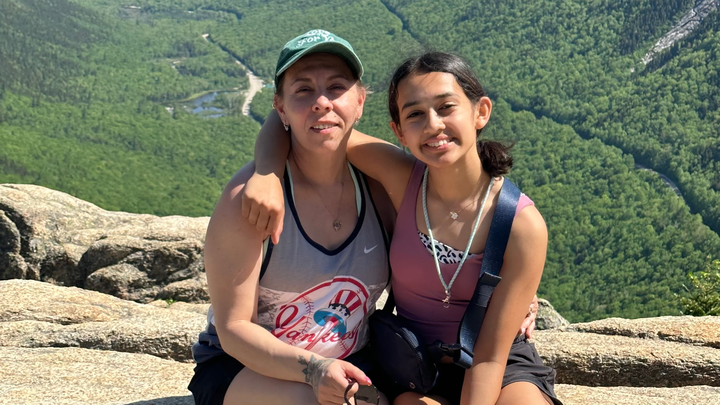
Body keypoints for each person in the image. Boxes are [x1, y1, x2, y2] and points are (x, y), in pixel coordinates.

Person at [244, 51, 559, 405]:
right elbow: (299, 119)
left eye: (446, 107)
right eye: (414, 114)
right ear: (399, 132)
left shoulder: (519, 224)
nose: (433, 125)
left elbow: (489, 358)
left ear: (480, 111)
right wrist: (267, 172)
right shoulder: (401, 179)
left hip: (498, 364)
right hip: (412, 365)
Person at [188, 29, 397, 405]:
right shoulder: (249, 201)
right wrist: (315, 370)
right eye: (303, 90)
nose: (322, 102)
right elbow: (234, 328)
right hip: (247, 368)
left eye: (337, 87)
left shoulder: (381, 189)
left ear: (360, 101)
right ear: (280, 107)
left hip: (355, 360)